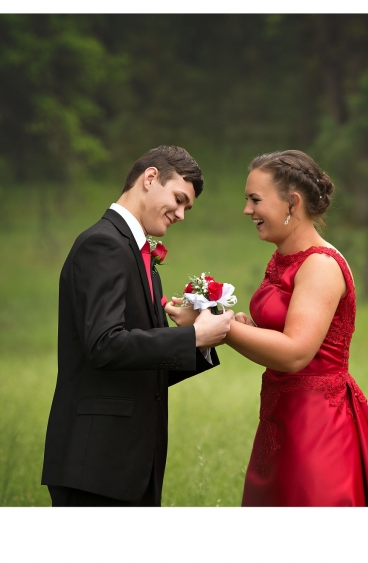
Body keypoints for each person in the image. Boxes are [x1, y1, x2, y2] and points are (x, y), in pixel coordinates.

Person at [171, 149, 368, 506]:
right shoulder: (283, 255)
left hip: (316, 424)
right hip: (280, 417)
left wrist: (216, 326)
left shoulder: (320, 266)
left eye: (255, 200)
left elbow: (296, 353)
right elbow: (279, 337)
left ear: (292, 203)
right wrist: (240, 325)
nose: (247, 210)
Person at [41, 145, 233, 507]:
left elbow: (143, 362)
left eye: (187, 208)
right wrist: (191, 336)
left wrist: (202, 341)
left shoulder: (139, 252)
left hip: (129, 464)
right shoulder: (103, 244)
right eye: (178, 199)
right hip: (96, 464)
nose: (180, 214)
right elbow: (104, 345)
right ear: (150, 178)